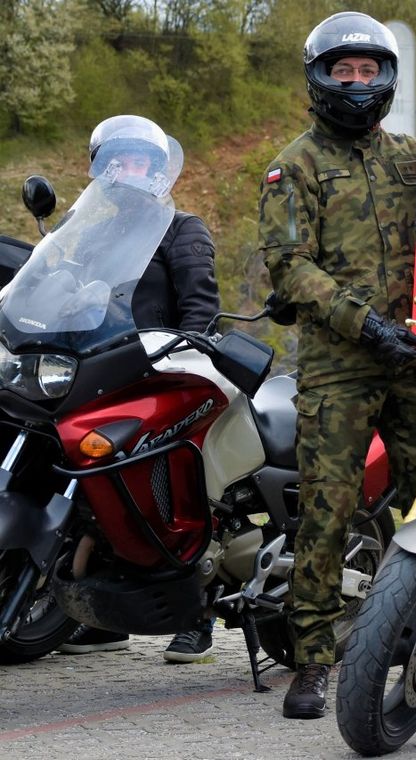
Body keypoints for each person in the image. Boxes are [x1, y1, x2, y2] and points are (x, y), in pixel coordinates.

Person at [258, 11, 416, 719]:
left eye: (369, 70)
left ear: (386, 78)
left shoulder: (413, 155)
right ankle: (312, 663)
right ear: (318, 78)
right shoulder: (296, 164)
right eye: (343, 71)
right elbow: (288, 267)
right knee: (328, 512)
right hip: (340, 366)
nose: (356, 82)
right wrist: (364, 324)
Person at [57, 114, 220, 664]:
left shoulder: (183, 228)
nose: (131, 171)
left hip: (163, 376)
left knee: (177, 482)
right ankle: (105, 617)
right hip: (99, 373)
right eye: (120, 161)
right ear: (102, 169)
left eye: (142, 162)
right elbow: (66, 294)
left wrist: (177, 348)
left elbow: (201, 309)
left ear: (159, 169)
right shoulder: (91, 232)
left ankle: (197, 614)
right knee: (93, 486)